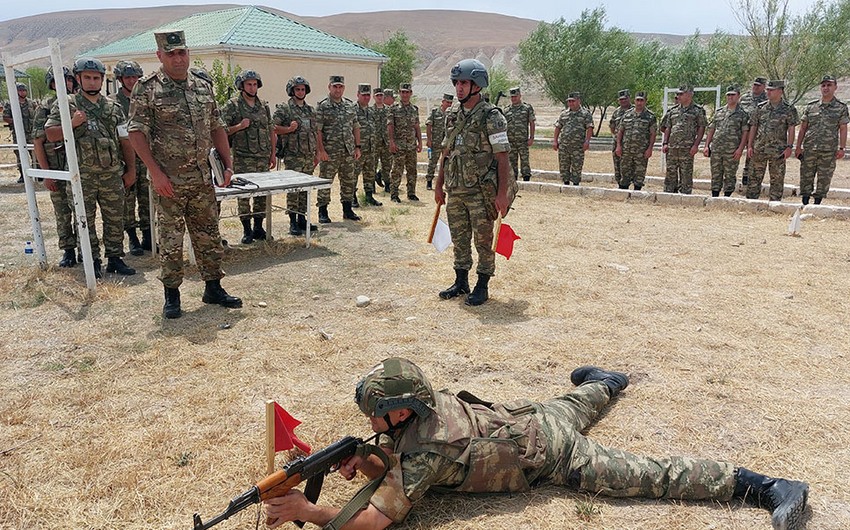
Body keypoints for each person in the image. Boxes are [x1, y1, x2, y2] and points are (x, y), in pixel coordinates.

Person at [263, 357, 809, 530]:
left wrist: (309, 510)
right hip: (529, 419)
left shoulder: (427, 449)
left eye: (379, 414)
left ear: (403, 409)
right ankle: (608, 380)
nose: (375, 420)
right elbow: (396, 454)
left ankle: (765, 486)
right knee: (580, 400)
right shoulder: (426, 411)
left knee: (650, 476)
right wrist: (368, 457)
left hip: (550, 456)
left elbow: (377, 522)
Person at [128, 29, 242, 319]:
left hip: (203, 178)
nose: (178, 59)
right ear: (160, 56)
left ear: (188, 53)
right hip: (169, 181)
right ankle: (172, 295)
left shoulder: (203, 86)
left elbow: (217, 127)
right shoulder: (147, 87)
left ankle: (213, 287)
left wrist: (227, 166)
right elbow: (136, 132)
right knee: (171, 240)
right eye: (171, 54)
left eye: (182, 52)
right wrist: (155, 173)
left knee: (209, 236)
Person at [45, 57, 136, 279]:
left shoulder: (112, 107)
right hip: (81, 175)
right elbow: (50, 134)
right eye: (87, 78)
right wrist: (72, 123)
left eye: (97, 78)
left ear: (103, 80)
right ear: (78, 79)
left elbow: (125, 140)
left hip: (111, 174)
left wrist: (131, 170)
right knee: (85, 219)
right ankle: (91, 258)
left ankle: (115, 257)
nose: (92, 82)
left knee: (115, 217)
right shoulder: (66, 104)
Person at [434, 59, 510, 306]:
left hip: (480, 191)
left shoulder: (491, 116)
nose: (459, 88)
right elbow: (446, 152)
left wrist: (501, 194)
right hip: (455, 188)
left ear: (477, 85)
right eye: (457, 83)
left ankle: (482, 285)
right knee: (460, 237)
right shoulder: (452, 115)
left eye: (464, 83)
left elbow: (502, 157)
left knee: (484, 240)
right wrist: (438, 184)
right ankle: (461, 281)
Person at [222, 70, 276, 244]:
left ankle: (259, 227)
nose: (252, 88)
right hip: (243, 157)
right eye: (249, 84)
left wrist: (272, 153)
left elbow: (271, 131)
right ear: (241, 86)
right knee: (244, 194)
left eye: (254, 84)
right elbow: (221, 131)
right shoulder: (233, 105)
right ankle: (246, 230)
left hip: (262, 156)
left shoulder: (264, 106)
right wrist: (239, 126)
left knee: (262, 192)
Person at [32, 66, 78, 267]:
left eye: (68, 79)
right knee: (62, 212)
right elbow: (38, 142)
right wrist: (46, 174)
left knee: (82, 209)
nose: (65, 83)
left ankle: (86, 247)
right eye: (59, 80)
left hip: (78, 165)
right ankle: (68, 251)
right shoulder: (44, 108)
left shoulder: (78, 103)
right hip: (56, 168)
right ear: (51, 83)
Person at [112, 60, 151, 256]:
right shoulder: (114, 103)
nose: (132, 80)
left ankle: (148, 235)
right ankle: (132, 238)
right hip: (125, 159)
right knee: (128, 201)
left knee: (147, 198)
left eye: (135, 76)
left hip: (146, 157)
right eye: (127, 77)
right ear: (120, 79)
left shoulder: (145, 97)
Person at [273, 76, 318, 236]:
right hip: (293, 156)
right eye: (297, 89)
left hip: (308, 156)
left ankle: (302, 219)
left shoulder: (311, 110)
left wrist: (317, 152)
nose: (300, 92)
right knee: (293, 190)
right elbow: (273, 128)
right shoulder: (285, 109)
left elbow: (315, 132)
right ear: (291, 91)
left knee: (305, 190)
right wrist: (288, 129)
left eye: (303, 89)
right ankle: (293, 221)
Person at [794, 74, 849, 205]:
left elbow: (843, 129)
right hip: (810, 149)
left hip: (828, 150)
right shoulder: (811, 106)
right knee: (806, 176)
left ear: (835, 87)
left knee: (824, 178)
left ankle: (817, 203)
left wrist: (842, 148)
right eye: (823, 85)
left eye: (829, 85)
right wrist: (798, 146)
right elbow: (803, 128)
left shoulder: (841, 108)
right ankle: (805, 202)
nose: (826, 88)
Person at [315, 75, 362, 223]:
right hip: (330, 152)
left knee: (348, 181)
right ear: (329, 87)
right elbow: (318, 130)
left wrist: (357, 147)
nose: (338, 89)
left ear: (344, 88)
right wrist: (321, 150)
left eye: (340, 86)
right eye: (335, 86)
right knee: (325, 181)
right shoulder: (323, 106)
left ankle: (347, 210)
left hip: (348, 151)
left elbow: (355, 127)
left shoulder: (349, 106)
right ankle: (323, 211)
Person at [746, 80, 798, 201]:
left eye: (771, 90)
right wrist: (749, 146)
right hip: (759, 149)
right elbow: (753, 126)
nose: (768, 92)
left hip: (778, 151)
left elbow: (791, 128)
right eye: (767, 89)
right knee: (754, 178)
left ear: (780, 91)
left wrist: (789, 147)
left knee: (777, 179)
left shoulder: (788, 109)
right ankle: (751, 203)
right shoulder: (760, 108)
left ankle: (774, 204)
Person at [703, 85, 749, 197]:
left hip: (732, 150)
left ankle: (727, 197)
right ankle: (715, 195)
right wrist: (706, 145)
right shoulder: (719, 112)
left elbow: (745, 133)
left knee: (730, 174)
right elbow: (712, 129)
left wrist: (740, 149)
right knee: (716, 173)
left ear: (738, 96)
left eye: (733, 95)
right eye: (728, 95)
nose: (730, 97)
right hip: (717, 149)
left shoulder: (743, 114)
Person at [660, 84, 707, 194]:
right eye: (678, 94)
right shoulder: (673, 111)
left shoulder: (697, 111)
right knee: (670, 172)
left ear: (690, 95)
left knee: (686, 173)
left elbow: (701, 128)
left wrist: (696, 145)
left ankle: (685, 195)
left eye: (681, 94)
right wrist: (665, 143)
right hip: (672, 148)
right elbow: (667, 127)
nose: (678, 96)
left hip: (687, 148)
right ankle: (669, 194)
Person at [387, 82, 422, 202]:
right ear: (399, 93)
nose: (405, 94)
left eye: (407, 92)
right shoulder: (394, 108)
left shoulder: (414, 109)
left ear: (411, 93)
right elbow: (390, 126)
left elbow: (417, 126)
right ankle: (394, 194)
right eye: (402, 92)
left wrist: (420, 142)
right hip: (399, 145)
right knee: (397, 170)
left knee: (412, 170)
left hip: (411, 145)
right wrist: (391, 142)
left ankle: (411, 193)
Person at [615, 91, 656, 191]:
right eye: (637, 100)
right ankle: (623, 193)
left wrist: (650, 149)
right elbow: (620, 131)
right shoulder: (627, 115)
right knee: (624, 173)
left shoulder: (650, 116)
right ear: (634, 101)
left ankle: (637, 194)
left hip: (641, 152)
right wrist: (618, 146)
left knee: (639, 174)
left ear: (645, 101)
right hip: (626, 150)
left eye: (642, 100)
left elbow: (653, 134)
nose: (639, 103)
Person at [553, 92, 593, 185]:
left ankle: (575, 185)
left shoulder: (585, 114)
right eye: (569, 101)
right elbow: (558, 127)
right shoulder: (564, 114)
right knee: (564, 167)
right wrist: (555, 141)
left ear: (579, 101)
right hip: (564, 146)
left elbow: (589, 128)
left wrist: (587, 141)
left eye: (573, 101)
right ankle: (566, 184)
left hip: (578, 146)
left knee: (577, 167)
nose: (571, 103)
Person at [353, 83, 382, 207]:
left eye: (368, 95)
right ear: (358, 95)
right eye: (363, 95)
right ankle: (352, 198)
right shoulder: (352, 110)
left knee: (369, 173)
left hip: (370, 149)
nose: (366, 97)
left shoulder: (371, 111)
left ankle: (369, 196)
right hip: (358, 149)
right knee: (353, 174)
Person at [3, 82, 38, 183]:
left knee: (36, 154)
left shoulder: (32, 103)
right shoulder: (10, 103)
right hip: (18, 134)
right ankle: (23, 175)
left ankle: (37, 173)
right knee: (20, 156)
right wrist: (16, 121)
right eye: (20, 90)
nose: (22, 92)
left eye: (24, 90)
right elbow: (5, 117)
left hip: (31, 133)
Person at [739, 77, 768, 186]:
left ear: (764, 87)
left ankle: (748, 176)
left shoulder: (767, 98)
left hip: (757, 132)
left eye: (758, 86)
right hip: (743, 130)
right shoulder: (745, 98)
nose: (755, 87)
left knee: (752, 154)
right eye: (754, 85)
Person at [504, 87, 536, 182]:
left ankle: (526, 179)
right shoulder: (506, 110)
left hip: (523, 141)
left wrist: (531, 137)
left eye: (515, 96)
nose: (513, 98)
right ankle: (514, 180)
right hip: (511, 141)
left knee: (525, 161)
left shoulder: (526, 108)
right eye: (512, 97)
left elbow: (532, 122)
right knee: (512, 162)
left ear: (520, 96)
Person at [425, 93, 453, 190]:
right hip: (436, 142)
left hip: (447, 143)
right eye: (447, 102)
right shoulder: (435, 112)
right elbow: (429, 125)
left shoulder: (452, 113)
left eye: (450, 102)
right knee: (433, 162)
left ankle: (447, 182)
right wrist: (429, 139)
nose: (449, 104)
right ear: (443, 101)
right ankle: (429, 181)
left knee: (448, 163)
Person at [609, 89, 632, 184]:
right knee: (618, 165)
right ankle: (620, 184)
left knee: (629, 165)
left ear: (629, 98)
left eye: (625, 99)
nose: (623, 101)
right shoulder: (616, 112)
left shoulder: (634, 110)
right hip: (617, 143)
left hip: (630, 143)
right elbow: (612, 125)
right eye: (621, 99)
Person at [372, 87, 391, 191]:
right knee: (372, 165)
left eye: (381, 95)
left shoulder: (389, 110)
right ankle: (371, 186)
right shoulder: (370, 110)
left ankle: (387, 184)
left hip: (386, 142)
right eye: (377, 95)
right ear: (374, 97)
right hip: (374, 142)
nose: (379, 97)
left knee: (387, 164)